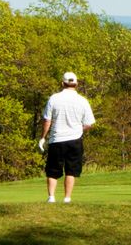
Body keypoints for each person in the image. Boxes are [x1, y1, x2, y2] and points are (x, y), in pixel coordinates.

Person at [39, 71, 95, 203]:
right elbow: (88, 124)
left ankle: (51, 197)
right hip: (75, 140)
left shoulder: (54, 98)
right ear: (77, 84)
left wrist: (43, 137)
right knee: (71, 170)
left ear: (62, 83)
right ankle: (67, 198)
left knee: (53, 170)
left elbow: (47, 120)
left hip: (56, 139)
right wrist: (78, 129)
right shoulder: (82, 101)